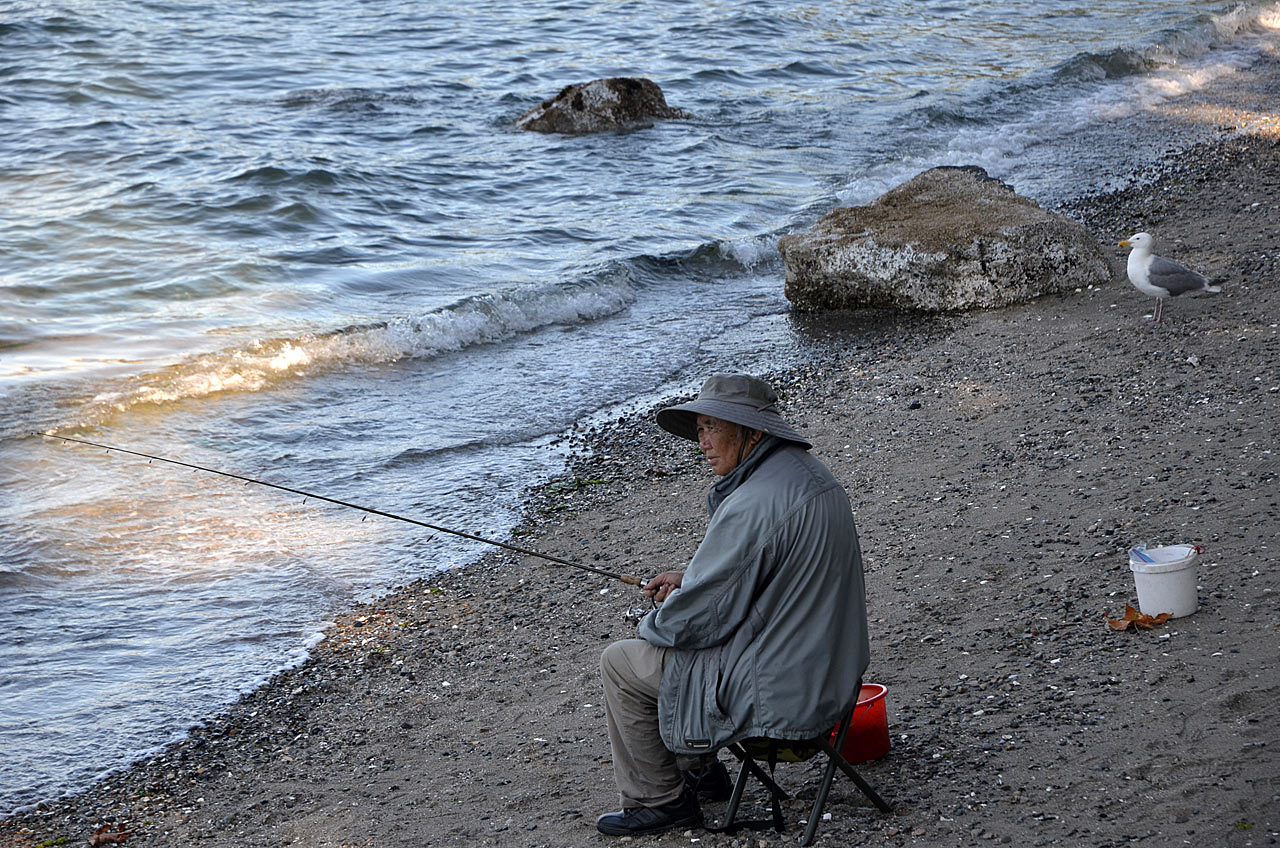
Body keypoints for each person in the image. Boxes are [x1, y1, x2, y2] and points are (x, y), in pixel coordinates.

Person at [596, 374, 870, 836]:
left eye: (712, 427)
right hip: (833, 671)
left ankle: (660, 802)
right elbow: (770, 577)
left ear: (752, 432)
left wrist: (656, 620)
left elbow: (694, 620)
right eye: (700, 428)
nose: (702, 441)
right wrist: (691, 581)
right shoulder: (804, 475)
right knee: (681, 651)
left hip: (786, 694)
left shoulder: (755, 502)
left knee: (622, 662)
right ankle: (703, 773)